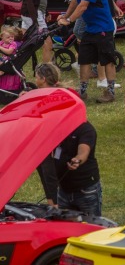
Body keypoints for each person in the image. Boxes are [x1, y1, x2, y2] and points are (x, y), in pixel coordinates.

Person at [59, 0, 116, 103]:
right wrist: (65, 15)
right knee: (84, 59)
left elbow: (83, 6)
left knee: (107, 60)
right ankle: (82, 92)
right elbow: (76, 0)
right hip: (90, 28)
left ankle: (110, 92)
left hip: (103, 28)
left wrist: (69, 20)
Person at [32, 63, 65, 207]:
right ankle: (52, 204)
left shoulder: (53, 96)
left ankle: (56, 205)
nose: (35, 79)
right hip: (41, 143)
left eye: (37, 77)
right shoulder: (42, 93)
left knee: (49, 175)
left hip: (50, 143)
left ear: (43, 79)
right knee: (45, 175)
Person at [54, 118, 102, 216]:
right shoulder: (57, 127)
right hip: (63, 190)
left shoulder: (86, 129)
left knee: (91, 226)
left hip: (86, 191)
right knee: (64, 227)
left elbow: (84, 151)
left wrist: (77, 160)